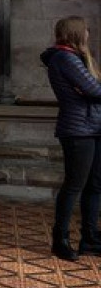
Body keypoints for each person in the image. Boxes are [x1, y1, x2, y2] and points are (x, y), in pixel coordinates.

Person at [41, 15, 101, 261]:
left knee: (95, 185)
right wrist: (92, 88)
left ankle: (89, 238)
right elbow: (94, 90)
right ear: (76, 33)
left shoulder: (75, 58)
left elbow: (92, 90)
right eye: (86, 30)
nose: (88, 34)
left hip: (93, 127)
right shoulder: (65, 58)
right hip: (78, 130)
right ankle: (60, 239)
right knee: (74, 185)